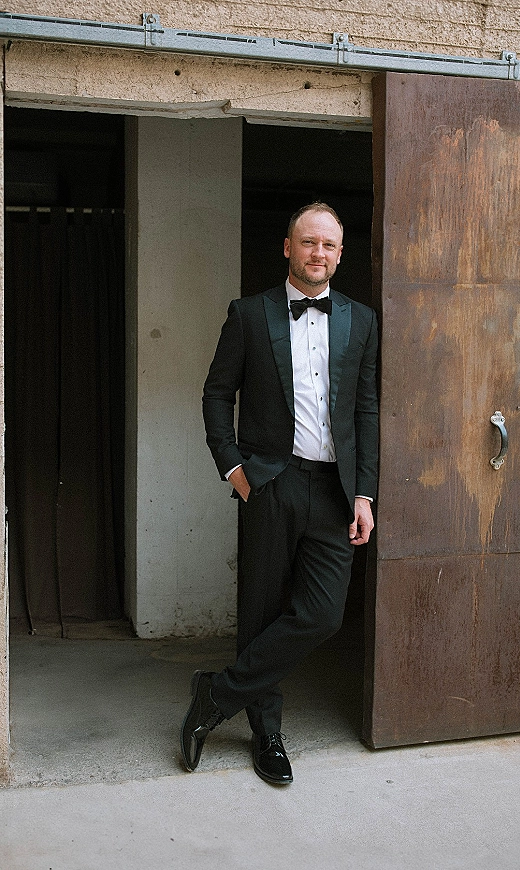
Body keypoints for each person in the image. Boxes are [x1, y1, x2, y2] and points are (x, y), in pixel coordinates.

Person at [180, 202, 379, 784]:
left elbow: (366, 409)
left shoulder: (360, 320)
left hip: (336, 489)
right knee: (261, 611)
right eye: (309, 242)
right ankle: (266, 733)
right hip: (270, 481)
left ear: (340, 255)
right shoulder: (249, 314)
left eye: (330, 246)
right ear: (287, 247)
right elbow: (217, 395)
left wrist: (365, 493)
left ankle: (215, 695)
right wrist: (232, 469)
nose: (319, 253)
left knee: (322, 615)